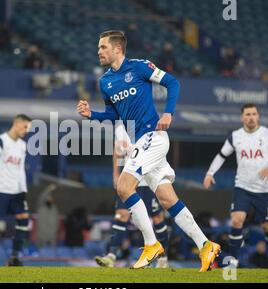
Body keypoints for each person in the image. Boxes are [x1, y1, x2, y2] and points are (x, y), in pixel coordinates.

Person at [77, 30, 220, 271]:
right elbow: (114, 115)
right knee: (167, 198)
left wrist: (168, 112)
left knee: (123, 186)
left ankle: (151, 244)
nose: (98, 51)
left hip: (153, 137)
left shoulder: (140, 67)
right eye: (99, 47)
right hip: (140, 142)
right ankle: (206, 245)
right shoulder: (105, 82)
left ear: (117, 49)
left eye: (102, 47)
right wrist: (93, 115)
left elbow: (172, 82)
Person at [203, 103, 268, 269]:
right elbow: (221, 155)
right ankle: (234, 260)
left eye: (254, 114)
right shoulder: (235, 136)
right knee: (237, 220)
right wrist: (210, 173)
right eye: (248, 114)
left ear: (258, 116)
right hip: (242, 187)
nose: (251, 117)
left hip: (263, 190)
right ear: (242, 117)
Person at [95, 122, 170, 268]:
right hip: (129, 179)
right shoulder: (121, 127)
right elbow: (118, 152)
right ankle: (111, 256)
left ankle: (163, 258)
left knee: (158, 217)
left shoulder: (149, 122)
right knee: (121, 215)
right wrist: (116, 173)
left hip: (149, 179)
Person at [0, 114, 32, 266]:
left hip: (16, 191)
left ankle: (14, 257)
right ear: (17, 123)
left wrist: (24, 191)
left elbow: (21, 168)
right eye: (25, 127)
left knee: (24, 220)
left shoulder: (23, 145)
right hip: (1, 190)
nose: (26, 131)